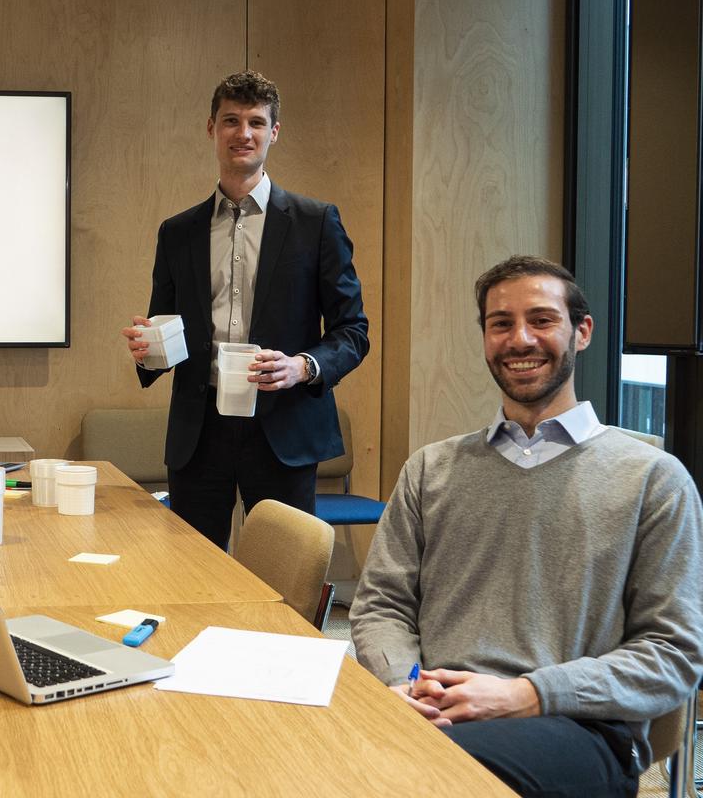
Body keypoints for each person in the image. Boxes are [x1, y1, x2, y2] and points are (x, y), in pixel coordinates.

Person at [350, 255, 703, 797]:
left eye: (541, 320)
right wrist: (406, 682)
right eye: (501, 323)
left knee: (404, 776)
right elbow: (383, 604)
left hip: (578, 727)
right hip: (435, 709)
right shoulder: (431, 469)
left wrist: (526, 694)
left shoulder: (654, 480)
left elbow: (672, 655)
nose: (520, 339)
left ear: (581, 332)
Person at [122, 70, 369, 551]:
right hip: (200, 433)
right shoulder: (178, 232)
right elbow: (165, 331)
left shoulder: (316, 223)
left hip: (284, 426)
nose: (244, 133)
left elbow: (353, 330)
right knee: (194, 576)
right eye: (231, 120)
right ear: (211, 128)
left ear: (274, 132)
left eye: (257, 122)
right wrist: (147, 349)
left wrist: (303, 367)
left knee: (282, 579)